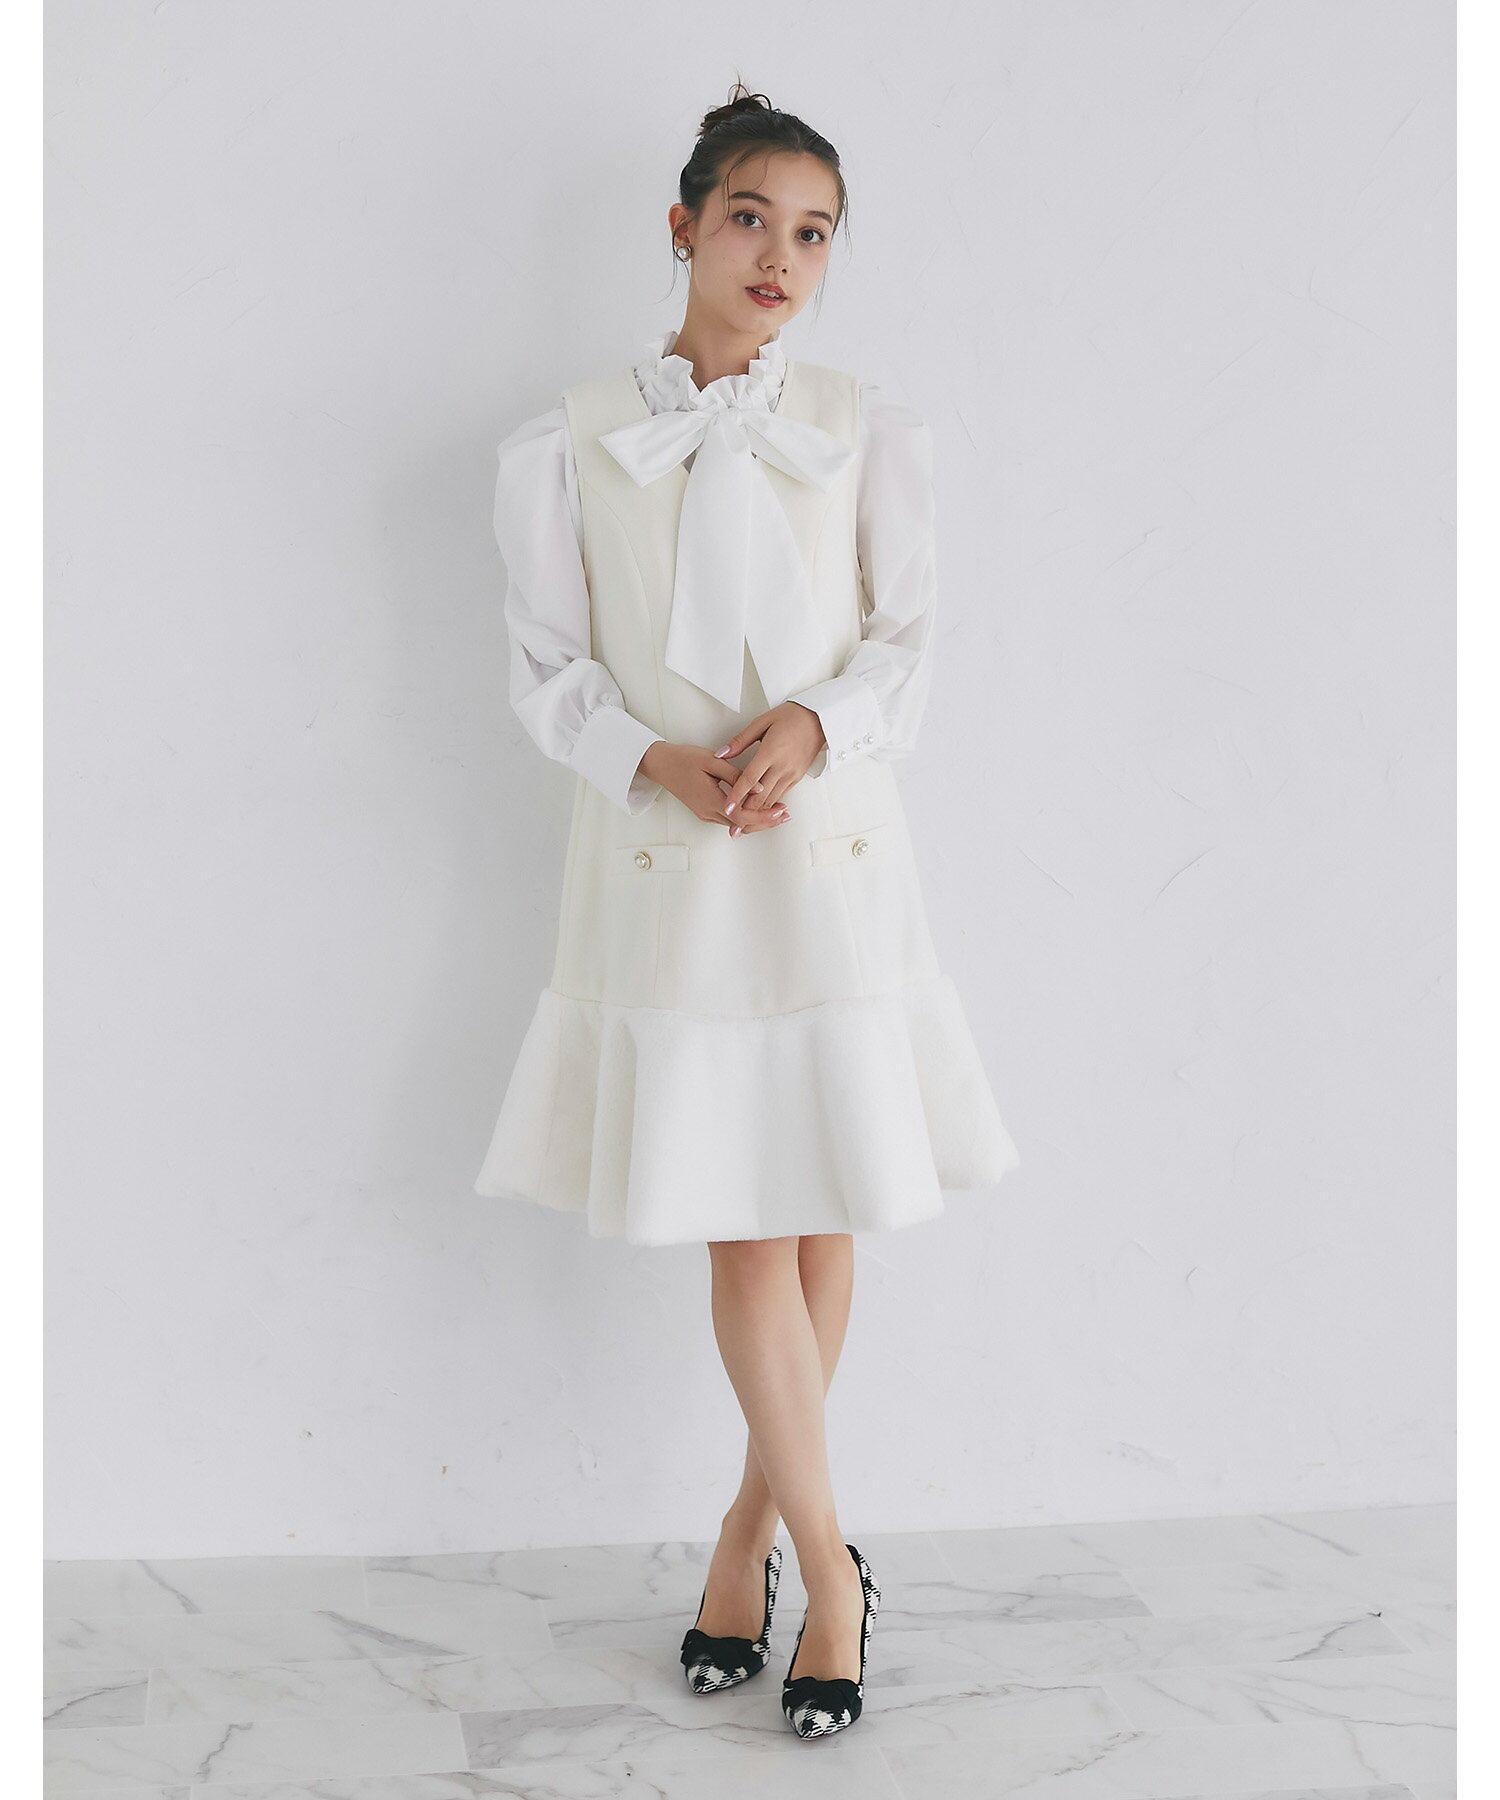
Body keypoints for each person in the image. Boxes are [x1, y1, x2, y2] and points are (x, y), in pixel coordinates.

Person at [473, 82, 1020, 1739]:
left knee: (821, 1203)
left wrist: (813, 726)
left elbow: (906, 644)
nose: (781, 256)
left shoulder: (866, 425)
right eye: (751, 219)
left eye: (815, 233)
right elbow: (547, 673)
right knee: (744, 1219)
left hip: (831, 855)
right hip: (669, 862)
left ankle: (749, 1545)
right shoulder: (568, 440)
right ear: (685, 226)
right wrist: (657, 759)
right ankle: (831, 1576)